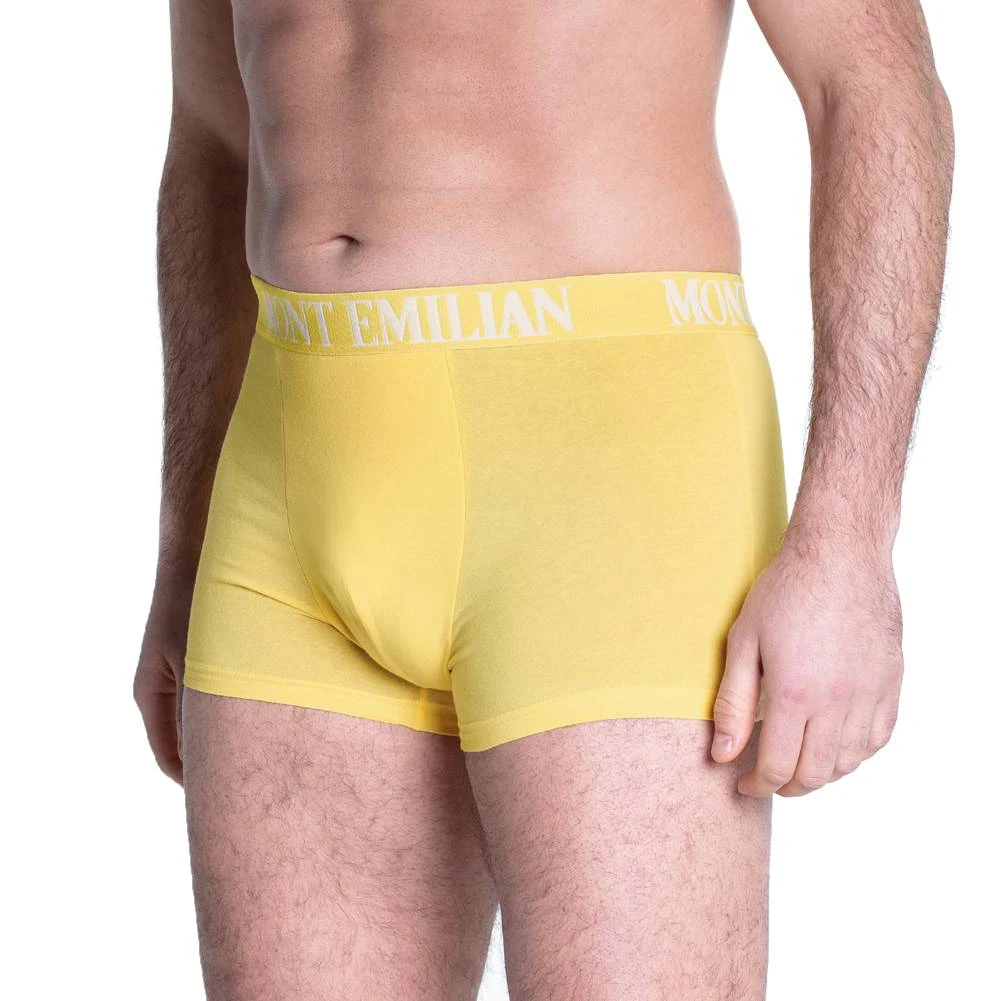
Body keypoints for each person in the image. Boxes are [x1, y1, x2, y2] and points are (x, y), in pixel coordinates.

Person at [133, 0, 954, 997]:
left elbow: (870, 83)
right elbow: (214, 138)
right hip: (287, 480)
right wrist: (183, 538)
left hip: (609, 476)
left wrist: (847, 539)